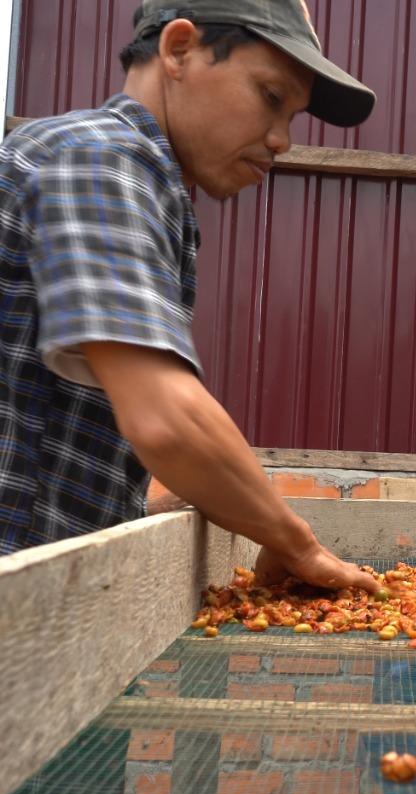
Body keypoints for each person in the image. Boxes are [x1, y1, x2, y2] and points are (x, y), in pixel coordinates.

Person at [0, 0, 379, 594]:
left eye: (293, 117)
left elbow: (59, 415)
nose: (282, 141)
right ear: (178, 50)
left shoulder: (134, 180)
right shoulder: (101, 161)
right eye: (271, 97)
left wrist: (198, 489)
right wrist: (296, 544)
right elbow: (166, 420)